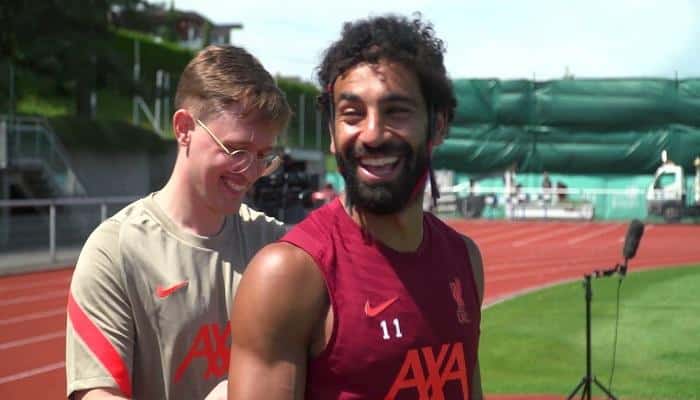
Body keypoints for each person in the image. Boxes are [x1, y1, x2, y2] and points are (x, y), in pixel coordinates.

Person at [228, 14, 484, 399]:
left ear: (438, 125)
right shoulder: (288, 275)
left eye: (397, 111)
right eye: (352, 114)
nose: (373, 133)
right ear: (332, 133)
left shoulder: (464, 259)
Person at [65, 44, 291, 400]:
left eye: (263, 156)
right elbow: (96, 394)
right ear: (184, 128)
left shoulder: (275, 247)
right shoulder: (115, 251)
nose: (250, 172)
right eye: (235, 150)